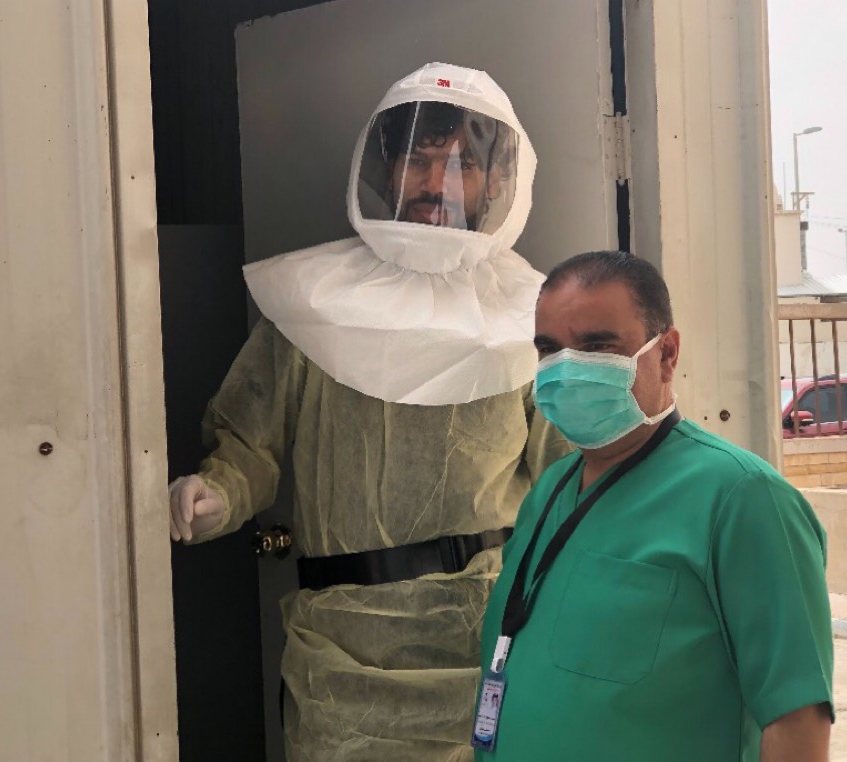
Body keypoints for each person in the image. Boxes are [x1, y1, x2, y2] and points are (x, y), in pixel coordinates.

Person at [168, 62, 571, 762]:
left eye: (461, 163)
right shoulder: (314, 304)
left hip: (491, 648)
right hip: (343, 660)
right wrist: (217, 492)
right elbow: (250, 444)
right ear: (385, 169)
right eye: (418, 158)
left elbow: (573, 479)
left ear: (498, 179)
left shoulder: (531, 316)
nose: (436, 181)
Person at [474, 251, 834, 761]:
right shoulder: (549, 490)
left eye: (596, 346)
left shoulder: (743, 499)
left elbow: (796, 720)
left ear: (666, 353)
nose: (567, 368)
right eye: (549, 349)